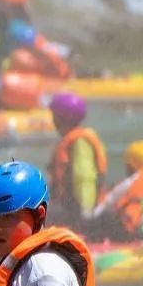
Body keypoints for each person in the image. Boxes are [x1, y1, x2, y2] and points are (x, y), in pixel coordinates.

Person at [84, 139, 143, 241]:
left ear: (132, 166)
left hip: (132, 231)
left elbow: (108, 201)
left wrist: (92, 217)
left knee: (105, 216)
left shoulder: (131, 181)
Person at [46, 93, 107, 223]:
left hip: (77, 211)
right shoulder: (71, 139)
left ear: (63, 118)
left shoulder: (80, 142)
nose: (53, 120)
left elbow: (84, 177)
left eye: (55, 116)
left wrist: (86, 211)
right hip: (67, 207)